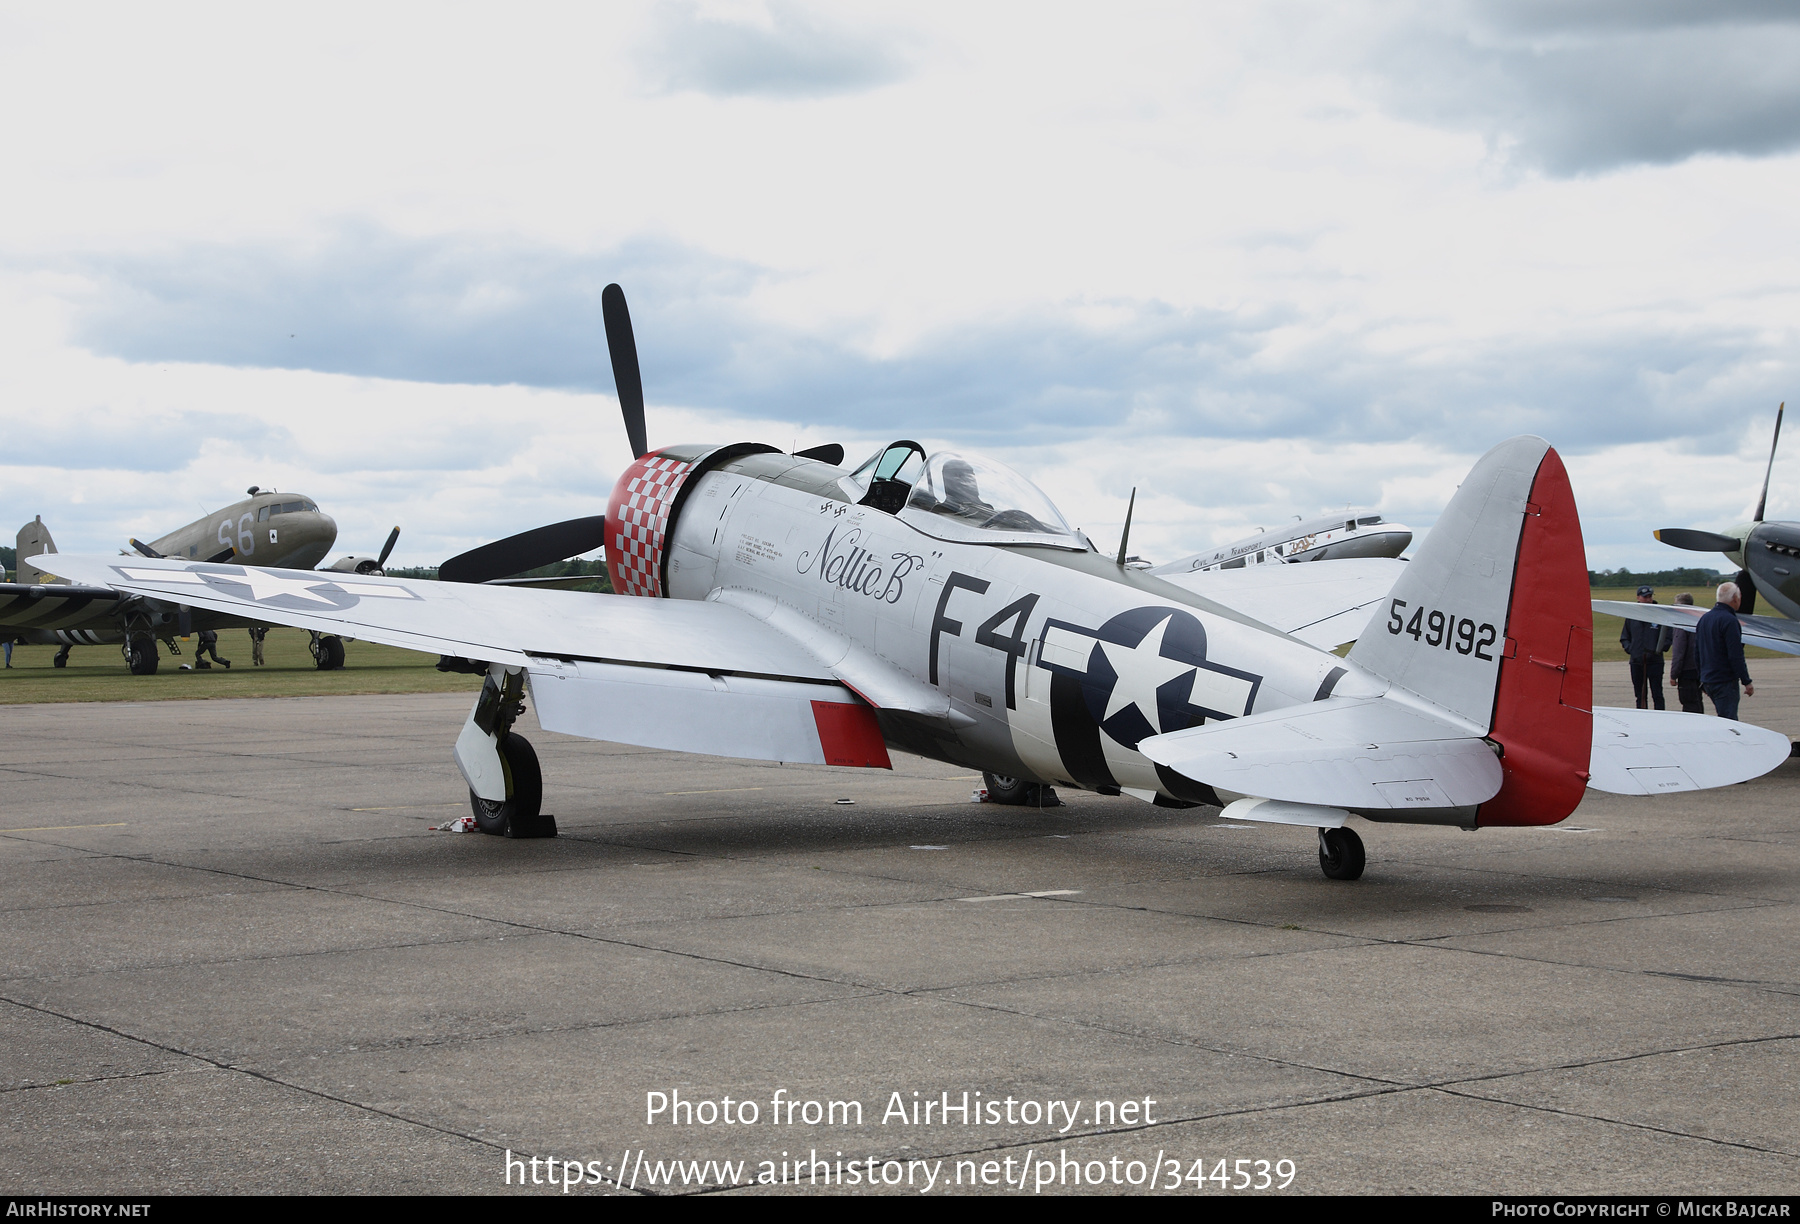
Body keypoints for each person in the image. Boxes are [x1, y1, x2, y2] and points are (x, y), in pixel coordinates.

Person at [1696, 581, 1754, 720]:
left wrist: (1702, 678)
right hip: (1724, 680)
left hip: (1708, 679)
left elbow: (1697, 651)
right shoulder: (1730, 620)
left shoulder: (1704, 619)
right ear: (1735, 598)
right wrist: (1746, 681)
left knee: (1723, 718)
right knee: (1729, 721)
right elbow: (1735, 655)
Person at [1620, 585, 1672, 710]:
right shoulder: (1632, 615)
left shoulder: (1660, 614)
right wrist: (1631, 649)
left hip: (1654, 661)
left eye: (1650, 597)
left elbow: (1668, 636)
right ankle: (1642, 716)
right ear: (1638, 598)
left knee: (1657, 693)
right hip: (1637, 661)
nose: (1648, 599)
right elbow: (1624, 637)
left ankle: (1660, 717)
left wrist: (1658, 649)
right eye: (1645, 597)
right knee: (1640, 695)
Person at [1668, 592, 1703, 713]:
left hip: (1686, 672)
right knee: (1698, 701)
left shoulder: (1682, 623)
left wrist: (1674, 674)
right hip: (1699, 669)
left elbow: (1679, 651)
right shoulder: (1699, 620)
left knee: (1689, 704)